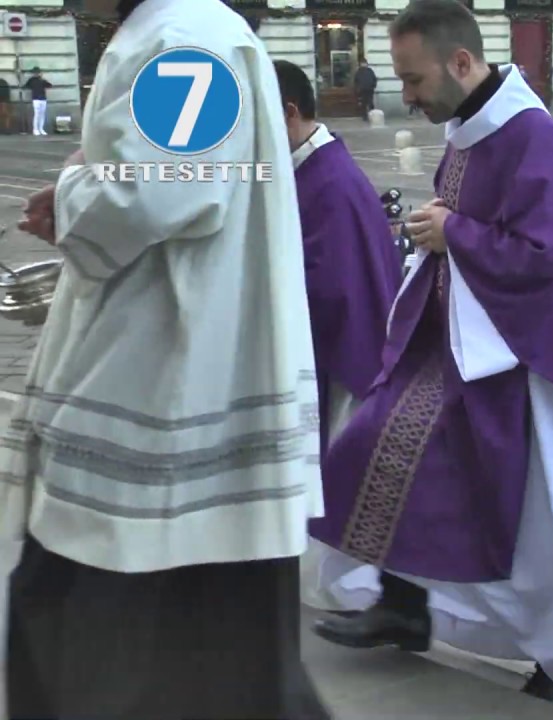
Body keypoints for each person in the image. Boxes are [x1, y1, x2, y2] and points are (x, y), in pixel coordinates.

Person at [309, 2, 553, 714]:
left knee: (512, 514)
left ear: (462, 63)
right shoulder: (470, 129)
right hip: (459, 344)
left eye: (413, 80)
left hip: (520, 362)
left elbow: (550, 259)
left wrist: (454, 232)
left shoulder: (530, 137)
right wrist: (439, 231)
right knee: (364, 446)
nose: (405, 95)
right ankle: (404, 601)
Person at [1, 0, 329, 717]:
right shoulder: (187, 29)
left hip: (163, 389)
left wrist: (73, 189)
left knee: (83, 634)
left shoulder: (184, 34)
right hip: (179, 384)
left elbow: (167, 191)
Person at [272, 59, 407, 613]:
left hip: (345, 359)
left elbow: (330, 287)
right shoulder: (308, 168)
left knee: (340, 475)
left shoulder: (330, 182)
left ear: (289, 114)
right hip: (329, 354)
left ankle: (352, 595)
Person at [22, 66, 52, 136]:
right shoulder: (31, 80)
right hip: (36, 99)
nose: (36, 74)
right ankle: (35, 129)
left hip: (43, 99)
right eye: (35, 73)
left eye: (37, 72)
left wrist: (43, 79)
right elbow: (26, 86)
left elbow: (49, 85)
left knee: (42, 114)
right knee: (37, 114)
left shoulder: (42, 80)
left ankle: (41, 129)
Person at [354, 57, 377, 121]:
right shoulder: (359, 72)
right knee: (364, 104)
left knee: (370, 103)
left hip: (369, 89)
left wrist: (373, 86)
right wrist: (358, 88)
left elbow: (374, 79)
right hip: (362, 90)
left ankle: (372, 115)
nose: (364, 64)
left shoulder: (369, 71)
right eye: (362, 63)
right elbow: (356, 81)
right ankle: (365, 117)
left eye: (364, 63)